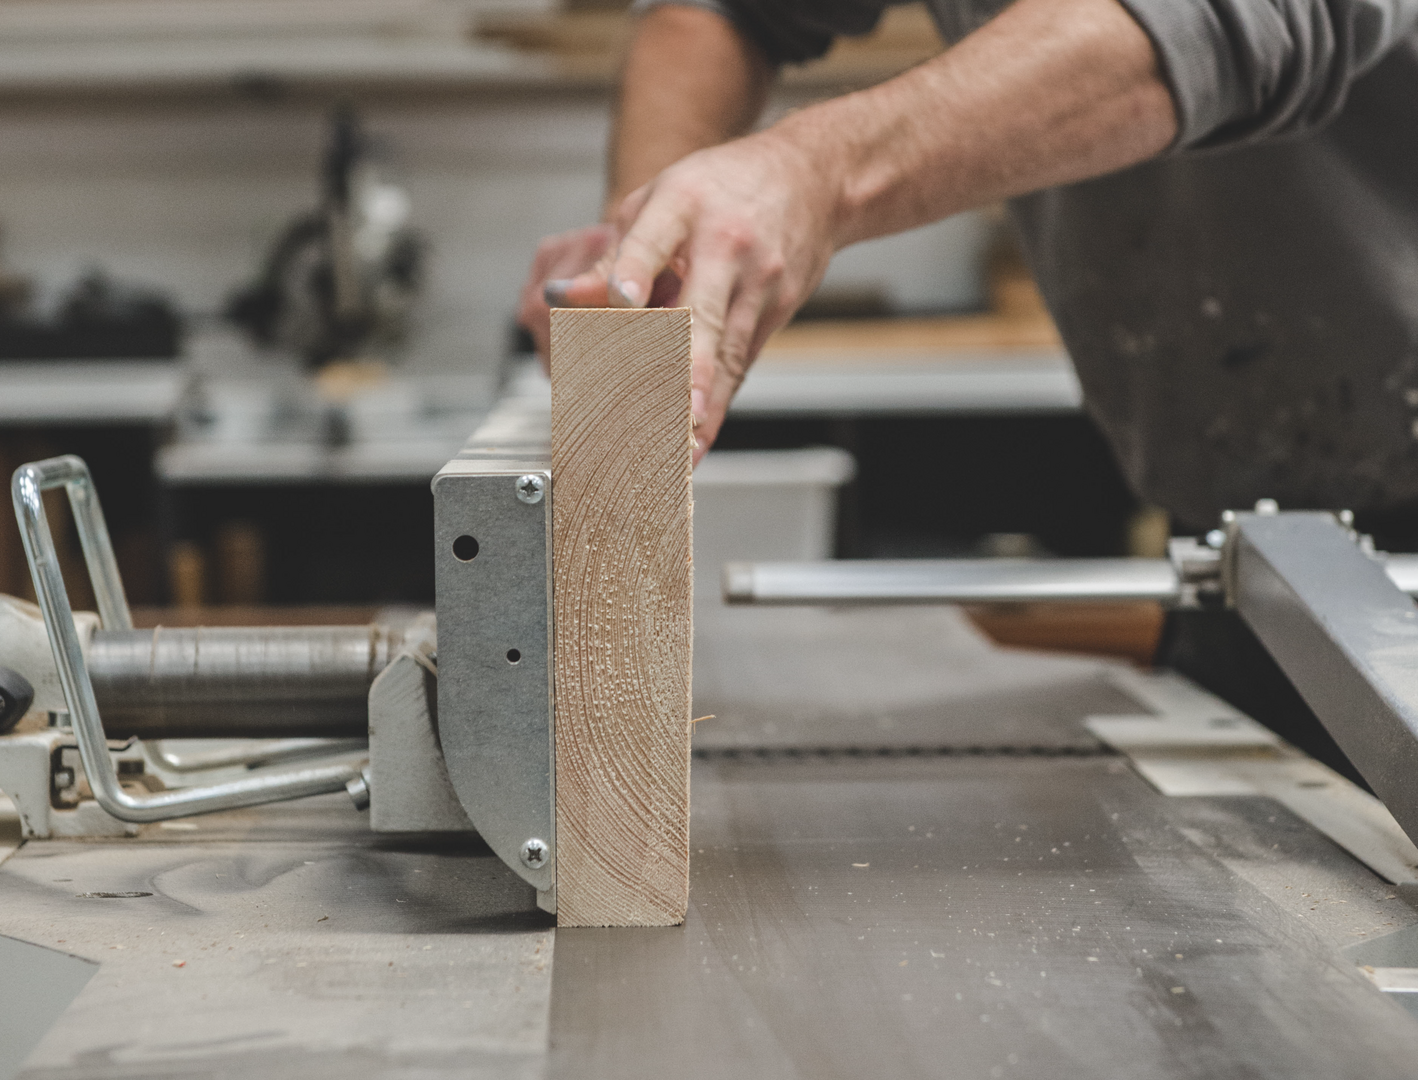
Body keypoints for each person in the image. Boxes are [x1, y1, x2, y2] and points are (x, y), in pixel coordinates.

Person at [516, 0, 1418, 782]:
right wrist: (652, 235)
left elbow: (1213, 22)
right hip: (1246, 547)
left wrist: (815, 174)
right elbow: (720, 10)